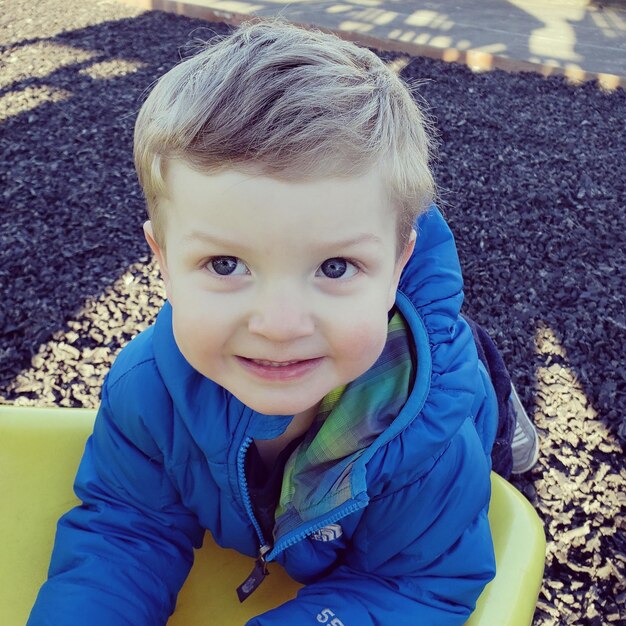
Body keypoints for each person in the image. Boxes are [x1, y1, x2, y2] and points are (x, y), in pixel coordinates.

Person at [28, 19, 537, 625]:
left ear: (399, 263)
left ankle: (507, 414)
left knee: (495, 451)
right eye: (225, 263)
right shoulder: (148, 391)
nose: (279, 324)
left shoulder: (425, 439)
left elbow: (412, 584)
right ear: (161, 260)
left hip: (460, 402)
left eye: (335, 266)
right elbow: (126, 528)